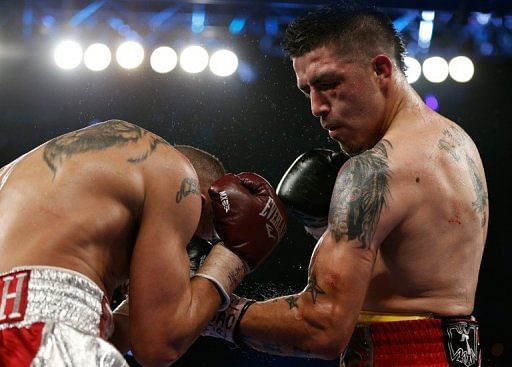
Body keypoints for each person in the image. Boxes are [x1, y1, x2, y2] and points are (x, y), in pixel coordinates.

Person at [202, 4, 488, 367]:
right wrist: (323, 226)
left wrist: (215, 310)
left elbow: (322, 327)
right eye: (307, 91)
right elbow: (411, 264)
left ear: (381, 70)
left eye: (327, 84)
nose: (316, 107)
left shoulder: (373, 171)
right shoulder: (456, 141)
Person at [0, 119, 287, 366]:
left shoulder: (30, 171)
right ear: (197, 205)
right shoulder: (176, 175)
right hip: (37, 333)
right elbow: (158, 346)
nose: (181, 259)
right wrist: (232, 257)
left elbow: (86, 334)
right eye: (192, 242)